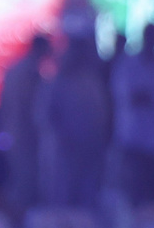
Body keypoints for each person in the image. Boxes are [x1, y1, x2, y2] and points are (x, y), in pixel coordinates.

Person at [111, 23, 154, 206]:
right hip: (134, 144)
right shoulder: (128, 67)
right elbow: (130, 98)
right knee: (133, 198)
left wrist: (153, 98)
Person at [40, 33, 111, 209]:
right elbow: (46, 116)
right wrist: (63, 139)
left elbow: (101, 116)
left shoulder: (92, 81)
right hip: (65, 153)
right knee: (63, 199)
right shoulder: (59, 82)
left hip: (90, 151)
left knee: (87, 200)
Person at [0, 34, 51, 217]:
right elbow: (30, 108)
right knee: (25, 184)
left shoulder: (16, 69)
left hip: (14, 133)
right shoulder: (29, 73)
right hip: (25, 136)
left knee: (19, 180)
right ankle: (21, 222)